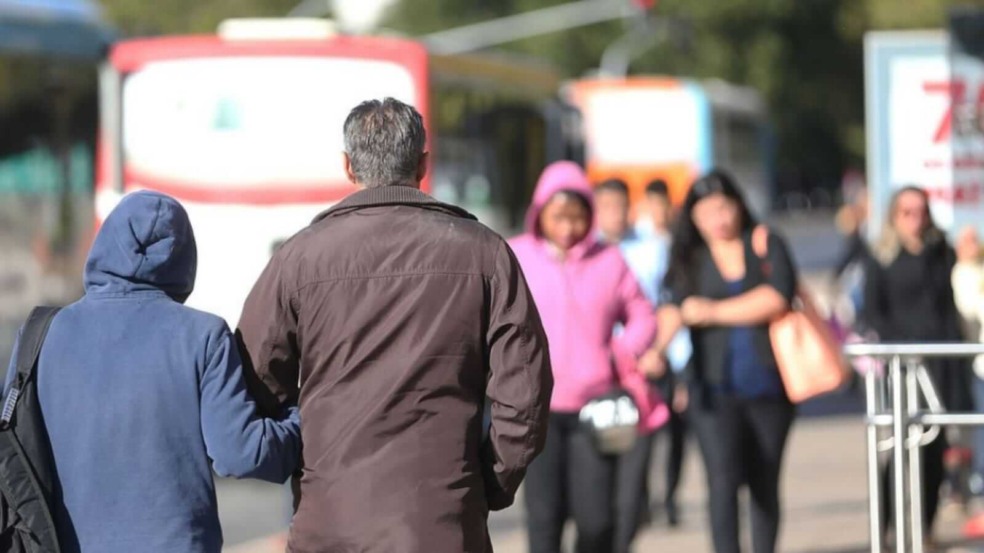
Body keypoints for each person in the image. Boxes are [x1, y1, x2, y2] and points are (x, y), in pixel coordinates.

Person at [236, 98, 553, 553]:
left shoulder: (298, 257)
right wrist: (488, 482)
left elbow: (255, 382)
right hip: (444, 521)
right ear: (423, 163)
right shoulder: (485, 253)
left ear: (348, 166)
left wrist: (306, 463)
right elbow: (525, 394)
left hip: (331, 521)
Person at [2, 191, 301, 553]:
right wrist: (302, 421)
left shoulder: (42, 334)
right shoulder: (202, 335)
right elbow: (242, 453)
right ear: (184, 259)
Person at [510, 161, 662, 553]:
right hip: (536, 411)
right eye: (558, 217)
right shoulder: (515, 256)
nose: (567, 228)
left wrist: (624, 350)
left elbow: (644, 314)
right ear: (539, 213)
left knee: (597, 520)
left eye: (577, 218)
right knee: (544, 521)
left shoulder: (608, 260)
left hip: (595, 410)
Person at [654, 170, 798, 553]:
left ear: (739, 205)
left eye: (724, 208)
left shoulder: (766, 243)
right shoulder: (689, 256)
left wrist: (712, 311)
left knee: (764, 483)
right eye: (706, 213)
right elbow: (672, 308)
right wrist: (655, 349)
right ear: (693, 219)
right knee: (722, 482)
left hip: (771, 387)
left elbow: (778, 297)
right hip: (712, 390)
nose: (718, 219)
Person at [863, 185, 973, 543]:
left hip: (944, 361)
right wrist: (902, 347)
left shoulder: (941, 251)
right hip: (905, 367)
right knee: (900, 449)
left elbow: (957, 298)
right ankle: (886, 528)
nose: (915, 220)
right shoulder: (880, 257)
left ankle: (924, 528)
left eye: (921, 211)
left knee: (937, 451)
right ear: (894, 217)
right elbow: (874, 313)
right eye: (907, 213)